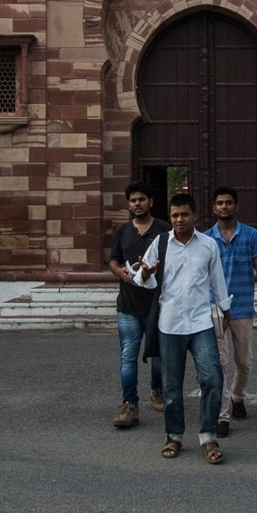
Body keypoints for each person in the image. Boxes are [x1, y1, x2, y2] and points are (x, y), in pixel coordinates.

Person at [135, 192, 231, 464]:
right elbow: (142, 278)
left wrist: (225, 308)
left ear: (195, 216)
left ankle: (208, 435)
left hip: (201, 323)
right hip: (170, 324)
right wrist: (145, 272)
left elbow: (217, 280)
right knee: (171, 386)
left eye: (184, 215)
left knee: (212, 377)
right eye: (174, 215)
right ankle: (174, 435)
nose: (179, 219)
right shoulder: (161, 243)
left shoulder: (208, 245)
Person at [206, 186, 257, 437]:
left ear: (236, 206)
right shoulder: (206, 238)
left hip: (243, 307)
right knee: (219, 363)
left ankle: (237, 396)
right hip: (216, 308)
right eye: (220, 203)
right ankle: (222, 416)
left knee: (243, 361)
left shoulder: (251, 235)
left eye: (228, 202)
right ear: (214, 208)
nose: (224, 207)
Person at [107, 181, 167, 428]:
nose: (137, 204)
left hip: (158, 305)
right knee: (128, 357)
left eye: (142, 199)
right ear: (128, 204)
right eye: (133, 200)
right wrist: (118, 271)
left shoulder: (165, 230)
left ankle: (157, 390)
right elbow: (113, 260)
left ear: (150, 202)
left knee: (159, 356)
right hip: (129, 306)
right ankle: (130, 405)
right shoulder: (122, 232)